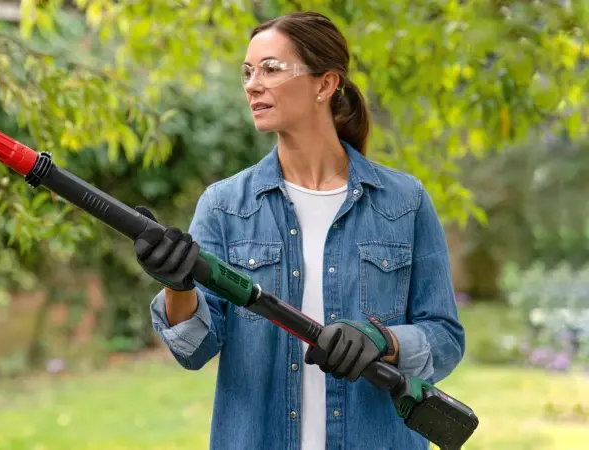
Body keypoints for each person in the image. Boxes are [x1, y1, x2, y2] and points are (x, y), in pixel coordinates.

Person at [132, 11, 465, 450]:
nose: (253, 84)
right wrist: (178, 286)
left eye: (271, 69)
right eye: (248, 72)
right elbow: (193, 350)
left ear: (324, 85)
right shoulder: (225, 205)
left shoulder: (405, 201)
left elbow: (445, 337)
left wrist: (384, 341)